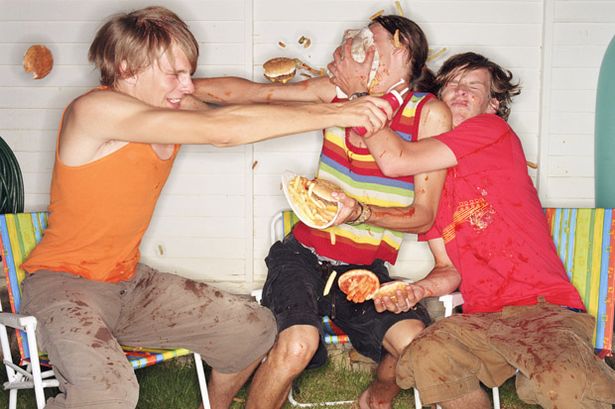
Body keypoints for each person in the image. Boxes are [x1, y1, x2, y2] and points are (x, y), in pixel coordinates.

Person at [18, 6, 394, 409]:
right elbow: (222, 131)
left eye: (188, 72)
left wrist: (323, 97)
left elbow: (240, 110)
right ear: (127, 68)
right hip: (65, 287)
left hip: (127, 282)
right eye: (175, 74)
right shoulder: (93, 111)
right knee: (109, 394)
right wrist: (339, 112)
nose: (188, 84)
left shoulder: (169, 105)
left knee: (253, 329)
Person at [193, 15, 451, 409]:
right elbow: (257, 95)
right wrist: (180, 86)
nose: (355, 48)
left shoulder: (428, 114)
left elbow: (424, 216)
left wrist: (358, 213)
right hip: (302, 255)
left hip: (365, 269)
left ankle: (376, 397)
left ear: (400, 49)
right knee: (297, 343)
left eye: (369, 41)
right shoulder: (339, 92)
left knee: (416, 343)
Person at [332, 51, 615, 408]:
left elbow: (394, 159)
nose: (462, 92)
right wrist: (417, 290)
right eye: (453, 85)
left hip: (546, 310)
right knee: (429, 354)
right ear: (438, 98)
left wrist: (360, 97)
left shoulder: (491, 132)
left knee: (562, 382)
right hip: (482, 318)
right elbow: (448, 268)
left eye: (474, 87)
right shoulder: (430, 188)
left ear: (492, 104)